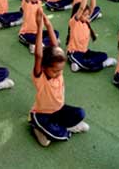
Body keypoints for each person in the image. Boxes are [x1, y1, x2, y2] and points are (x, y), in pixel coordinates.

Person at [29, 8, 89, 147]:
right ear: (44, 67)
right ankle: (38, 128)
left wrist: (49, 25)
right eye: (55, 71)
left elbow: (56, 46)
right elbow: (38, 55)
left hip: (59, 110)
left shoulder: (58, 72)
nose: (59, 73)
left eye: (61, 70)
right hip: (41, 115)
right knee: (50, 139)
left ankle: (56, 129)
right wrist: (40, 27)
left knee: (80, 113)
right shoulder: (40, 76)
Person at [66, 0, 116, 72]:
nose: (87, 16)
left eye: (88, 15)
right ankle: (102, 64)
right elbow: (81, 8)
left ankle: (79, 65)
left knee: (104, 55)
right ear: (78, 14)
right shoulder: (74, 22)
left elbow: (93, 7)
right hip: (74, 53)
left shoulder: (86, 22)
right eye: (85, 15)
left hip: (85, 52)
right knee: (88, 65)